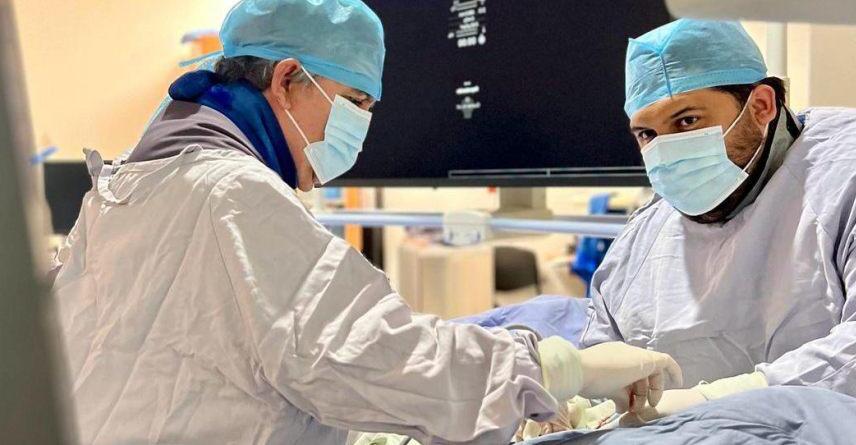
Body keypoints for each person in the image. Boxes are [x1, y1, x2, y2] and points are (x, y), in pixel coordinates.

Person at [50, 1, 682, 444]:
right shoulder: (232, 194)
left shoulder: (132, 184)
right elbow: (379, 358)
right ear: (288, 79)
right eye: (356, 103)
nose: (362, 129)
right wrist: (560, 368)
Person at [578, 18, 856, 421]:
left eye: (687, 121)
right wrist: (573, 403)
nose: (666, 151)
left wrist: (713, 402)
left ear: (761, 106)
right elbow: (600, 360)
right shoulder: (643, 238)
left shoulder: (842, 178)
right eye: (647, 134)